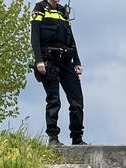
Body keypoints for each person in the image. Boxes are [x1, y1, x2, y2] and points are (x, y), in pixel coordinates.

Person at [31, 0, 87, 146]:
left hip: (66, 61)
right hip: (49, 60)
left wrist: (77, 61)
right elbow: (34, 36)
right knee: (54, 100)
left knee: (77, 101)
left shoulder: (63, 12)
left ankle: (77, 138)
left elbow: (71, 38)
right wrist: (39, 60)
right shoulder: (40, 8)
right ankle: (53, 138)